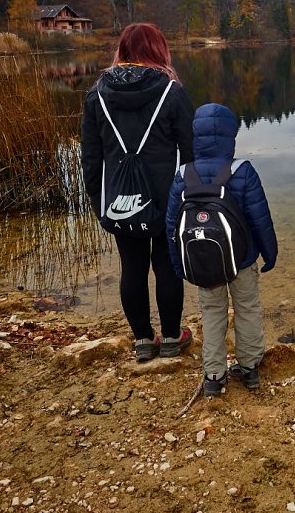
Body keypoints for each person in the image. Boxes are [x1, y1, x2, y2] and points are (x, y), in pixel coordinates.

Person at [81, 23, 196, 363]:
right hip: (166, 198)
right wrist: (191, 196)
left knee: (132, 267)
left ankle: (143, 341)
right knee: (167, 267)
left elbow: (91, 157)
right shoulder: (171, 92)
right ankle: (173, 338)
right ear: (159, 50)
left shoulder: (97, 94)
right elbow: (191, 151)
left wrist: (98, 201)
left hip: (120, 198)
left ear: (123, 50)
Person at [165, 102, 278, 397]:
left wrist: (178, 264)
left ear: (195, 136)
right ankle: (250, 369)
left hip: (204, 263)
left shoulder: (183, 175)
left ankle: (214, 376)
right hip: (242, 260)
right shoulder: (243, 171)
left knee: (212, 312)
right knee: (247, 308)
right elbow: (260, 218)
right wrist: (270, 253)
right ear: (232, 136)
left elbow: (171, 226)